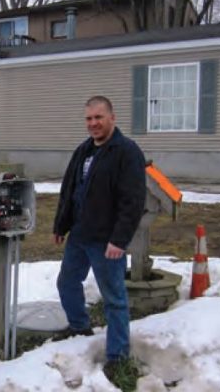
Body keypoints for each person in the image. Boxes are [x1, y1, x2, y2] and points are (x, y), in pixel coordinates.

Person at [52, 96, 146, 383]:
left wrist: (120, 239)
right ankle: (80, 327)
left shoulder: (126, 151)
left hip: (106, 240)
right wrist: (61, 224)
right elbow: (69, 189)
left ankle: (118, 356)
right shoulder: (83, 150)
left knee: (114, 298)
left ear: (112, 118)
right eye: (89, 118)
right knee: (66, 282)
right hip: (80, 234)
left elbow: (133, 200)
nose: (93, 123)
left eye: (98, 117)